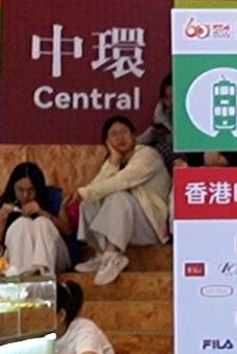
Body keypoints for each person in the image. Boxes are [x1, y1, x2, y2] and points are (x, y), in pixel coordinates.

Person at [73, 115, 172, 286]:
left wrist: (84, 192)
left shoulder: (147, 154)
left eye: (124, 132)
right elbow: (97, 187)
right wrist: (112, 160)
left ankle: (113, 255)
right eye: (114, 134)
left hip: (151, 227)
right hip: (127, 227)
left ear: (134, 135)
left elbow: (122, 181)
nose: (120, 137)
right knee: (88, 203)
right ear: (107, 142)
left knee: (118, 196)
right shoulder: (115, 161)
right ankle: (102, 254)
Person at [0, 162, 71, 276]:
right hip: (18, 259)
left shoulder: (52, 196)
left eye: (31, 190)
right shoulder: (5, 202)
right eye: (20, 190)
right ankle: (23, 275)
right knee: (22, 223)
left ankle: (45, 275)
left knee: (41, 222)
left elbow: (67, 231)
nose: (25, 195)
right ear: (13, 187)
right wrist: (3, 221)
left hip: (55, 257)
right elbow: (0, 242)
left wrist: (42, 212)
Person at [137, 75, 177, 171]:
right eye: (168, 98)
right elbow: (137, 143)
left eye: (175, 97)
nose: (171, 102)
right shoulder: (162, 117)